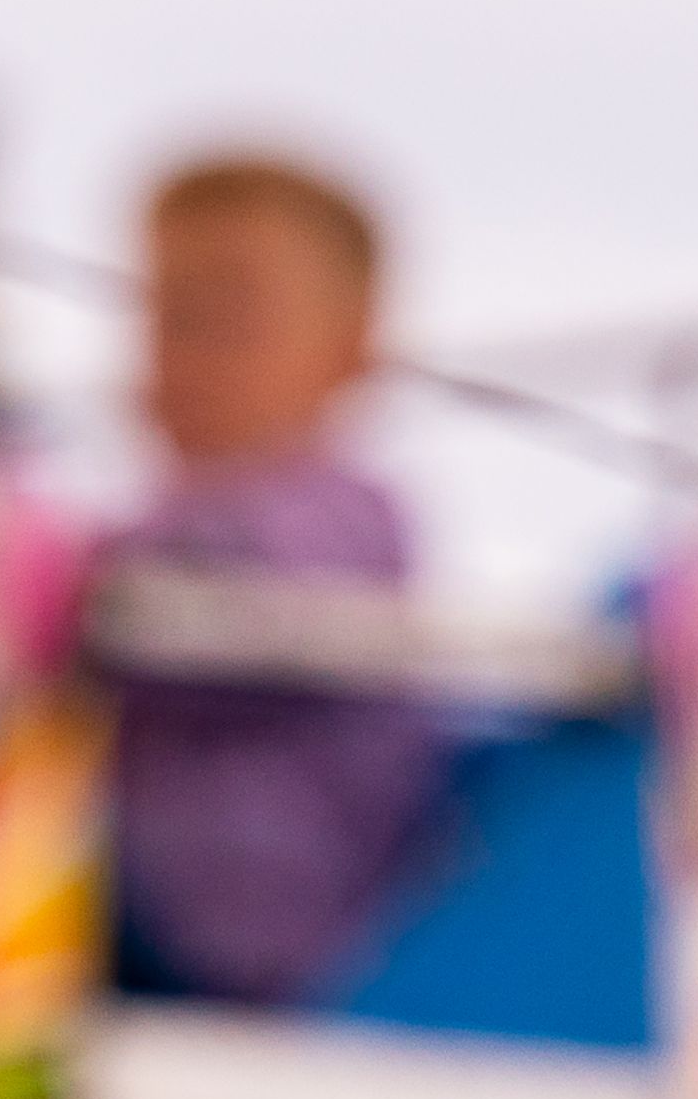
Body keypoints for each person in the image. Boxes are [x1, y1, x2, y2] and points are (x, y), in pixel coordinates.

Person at [89, 154, 457, 1009]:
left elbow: (222, 575)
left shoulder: (339, 516)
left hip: (251, 954)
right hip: (143, 936)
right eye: (166, 312)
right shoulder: (163, 525)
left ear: (354, 349)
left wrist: (42, 569)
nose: (188, 347)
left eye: (231, 311)